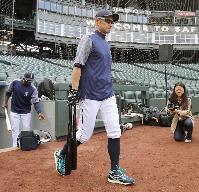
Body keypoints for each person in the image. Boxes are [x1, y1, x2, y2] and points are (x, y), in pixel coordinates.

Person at [53, 10, 135, 185]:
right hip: (90, 95)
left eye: (113, 22)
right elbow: (77, 66)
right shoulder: (88, 39)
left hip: (108, 94)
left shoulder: (106, 43)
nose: (111, 24)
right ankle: (61, 154)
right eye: (108, 21)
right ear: (97, 21)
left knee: (114, 131)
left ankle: (114, 171)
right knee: (83, 135)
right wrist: (74, 91)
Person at [2, 72, 45, 147]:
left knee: (26, 130)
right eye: (27, 80)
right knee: (15, 130)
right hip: (15, 111)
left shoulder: (33, 89)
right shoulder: (15, 83)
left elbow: (36, 102)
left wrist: (39, 112)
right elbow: (8, 92)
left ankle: (25, 145)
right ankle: (15, 146)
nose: (29, 82)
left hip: (26, 112)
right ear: (23, 78)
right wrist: (5, 102)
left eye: (30, 81)